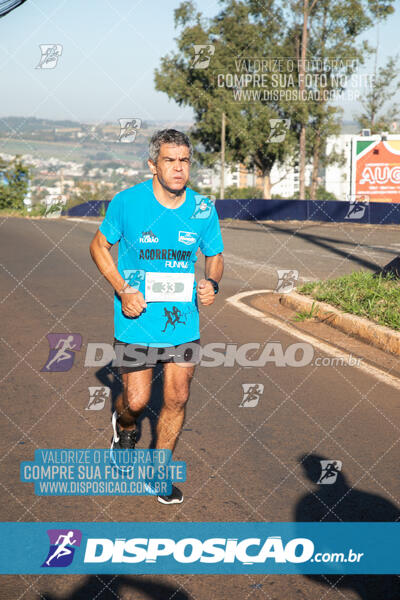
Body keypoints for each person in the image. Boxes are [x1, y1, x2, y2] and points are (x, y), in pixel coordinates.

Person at [90, 129, 224, 504]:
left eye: (184, 161)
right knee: (135, 400)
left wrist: (211, 281)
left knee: (178, 396)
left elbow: (214, 253)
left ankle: (160, 470)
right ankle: (124, 427)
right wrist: (122, 288)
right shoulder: (127, 203)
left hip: (183, 322)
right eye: (170, 160)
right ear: (153, 164)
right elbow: (99, 246)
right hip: (136, 318)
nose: (179, 168)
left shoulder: (202, 208)